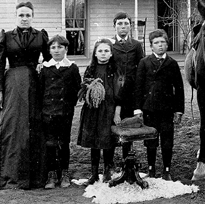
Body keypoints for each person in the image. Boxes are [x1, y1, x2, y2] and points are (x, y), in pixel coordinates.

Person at [0, 1, 51, 190]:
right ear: (16, 16)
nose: (25, 18)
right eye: (21, 15)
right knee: (11, 124)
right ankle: (6, 171)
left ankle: (34, 174)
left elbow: (50, 60)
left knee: (33, 124)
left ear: (33, 16)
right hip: (12, 83)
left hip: (34, 84)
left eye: (28, 15)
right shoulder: (7, 36)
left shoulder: (41, 36)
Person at [134, 29, 185, 181]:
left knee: (167, 140)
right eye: (156, 43)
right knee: (151, 139)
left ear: (167, 44)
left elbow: (179, 89)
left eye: (163, 42)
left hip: (167, 109)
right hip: (149, 108)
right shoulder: (144, 63)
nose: (160, 45)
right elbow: (138, 86)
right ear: (151, 46)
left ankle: (167, 170)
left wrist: (178, 110)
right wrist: (138, 108)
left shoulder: (172, 64)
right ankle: (151, 168)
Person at [39, 35, 81, 189]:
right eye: (53, 47)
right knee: (49, 143)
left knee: (64, 143)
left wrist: (69, 106)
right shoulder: (44, 68)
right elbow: (41, 90)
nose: (56, 50)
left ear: (66, 49)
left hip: (65, 112)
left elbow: (77, 89)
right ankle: (50, 174)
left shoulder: (72, 68)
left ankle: (64, 173)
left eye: (60, 47)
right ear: (49, 50)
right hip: (48, 112)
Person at [77, 38, 118, 185]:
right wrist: (91, 90)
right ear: (95, 53)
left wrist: (116, 109)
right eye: (100, 51)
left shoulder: (114, 70)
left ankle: (107, 171)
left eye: (106, 51)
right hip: (93, 109)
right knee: (94, 140)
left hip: (108, 109)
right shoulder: (90, 69)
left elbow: (118, 90)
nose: (103, 54)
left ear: (111, 54)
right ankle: (94, 173)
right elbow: (85, 86)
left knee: (107, 139)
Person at [111, 12, 144, 158]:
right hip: (114, 90)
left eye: (126, 24)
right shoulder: (110, 44)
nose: (123, 27)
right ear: (114, 26)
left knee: (127, 125)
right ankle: (109, 163)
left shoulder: (136, 45)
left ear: (130, 27)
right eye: (119, 24)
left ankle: (127, 160)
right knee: (111, 124)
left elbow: (141, 68)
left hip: (130, 92)